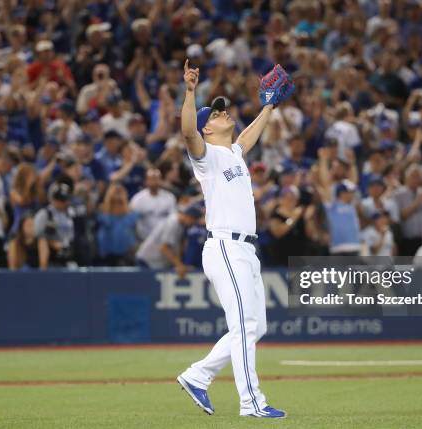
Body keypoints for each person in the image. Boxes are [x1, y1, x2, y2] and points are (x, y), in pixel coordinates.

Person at [176, 60, 291, 418]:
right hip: (225, 246)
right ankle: (251, 403)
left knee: (257, 325)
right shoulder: (206, 156)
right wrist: (191, 93)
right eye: (216, 114)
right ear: (207, 129)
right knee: (243, 325)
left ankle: (198, 375)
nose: (224, 114)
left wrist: (269, 106)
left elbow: (247, 138)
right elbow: (187, 134)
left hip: (245, 248)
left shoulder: (234, 153)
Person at [135, 204, 202, 274]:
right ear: (189, 217)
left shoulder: (179, 222)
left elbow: (174, 248)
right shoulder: (173, 223)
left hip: (154, 262)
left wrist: (181, 265)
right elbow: (164, 248)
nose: (194, 223)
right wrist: (179, 265)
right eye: (194, 220)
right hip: (147, 261)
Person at [33, 181, 75, 269]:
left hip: (66, 258)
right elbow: (38, 238)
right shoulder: (44, 214)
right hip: (50, 260)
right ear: (54, 199)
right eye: (62, 200)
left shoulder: (69, 214)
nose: (66, 203)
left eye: (66, 199)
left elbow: (70, 236)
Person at [96, 183, 139, 266]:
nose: (117, 193)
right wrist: (109, 197)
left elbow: (130, 222)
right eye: (115, 191)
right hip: (107, 255)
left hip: (127, 255)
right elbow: (106, 221)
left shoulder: (131, 213)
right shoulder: (102, 211)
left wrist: (124, 200)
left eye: (120, 191)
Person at [129, 168, 176, 241]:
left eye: (156, 179)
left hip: (163, 239)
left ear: (160, 180)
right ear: (146, 181)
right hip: (143, 239)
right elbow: (131, 221)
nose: (154, 182)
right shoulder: (137, 199)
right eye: (151, 179)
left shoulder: (170, 197)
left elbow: (173, 220)